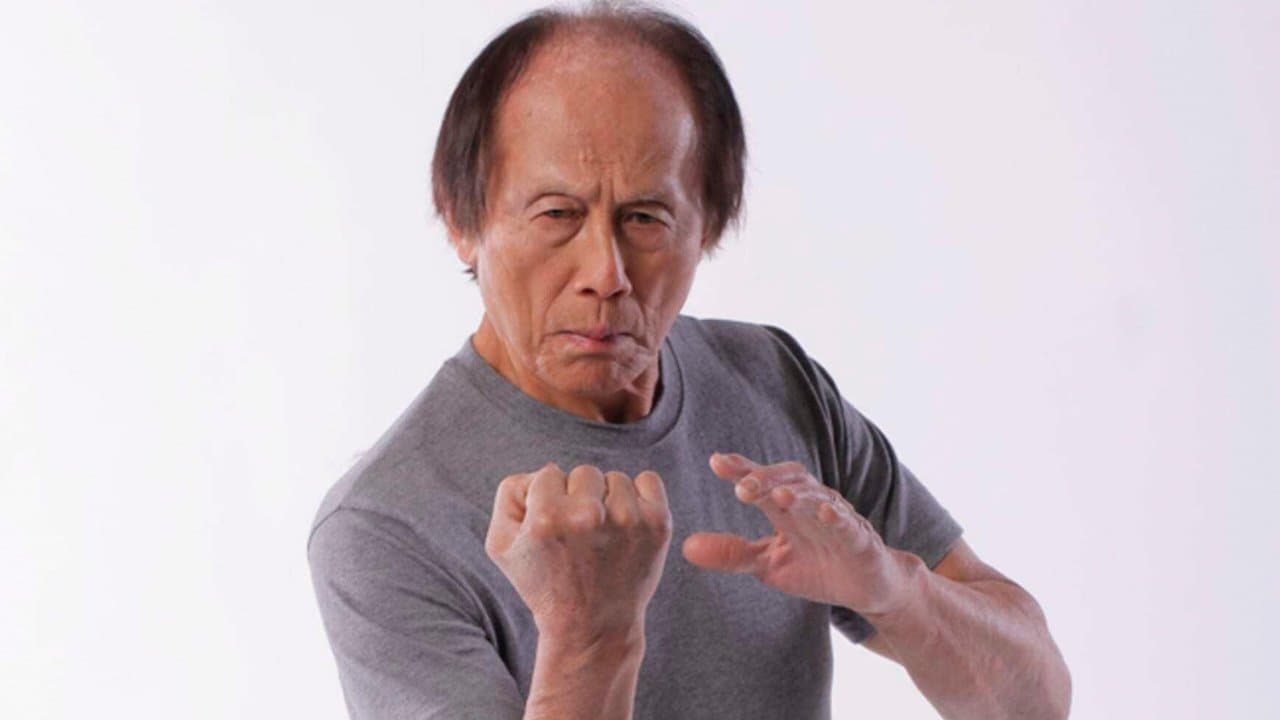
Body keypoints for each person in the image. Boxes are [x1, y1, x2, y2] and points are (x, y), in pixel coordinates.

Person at [306, 2, 1072, 718]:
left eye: (646, 218)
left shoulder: (774, 382)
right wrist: (591, 638)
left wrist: (896, 593)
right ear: (460, 219)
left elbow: (1035, 700)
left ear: (708, 227)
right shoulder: (385, 527)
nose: (605, 273)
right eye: (557, 214)